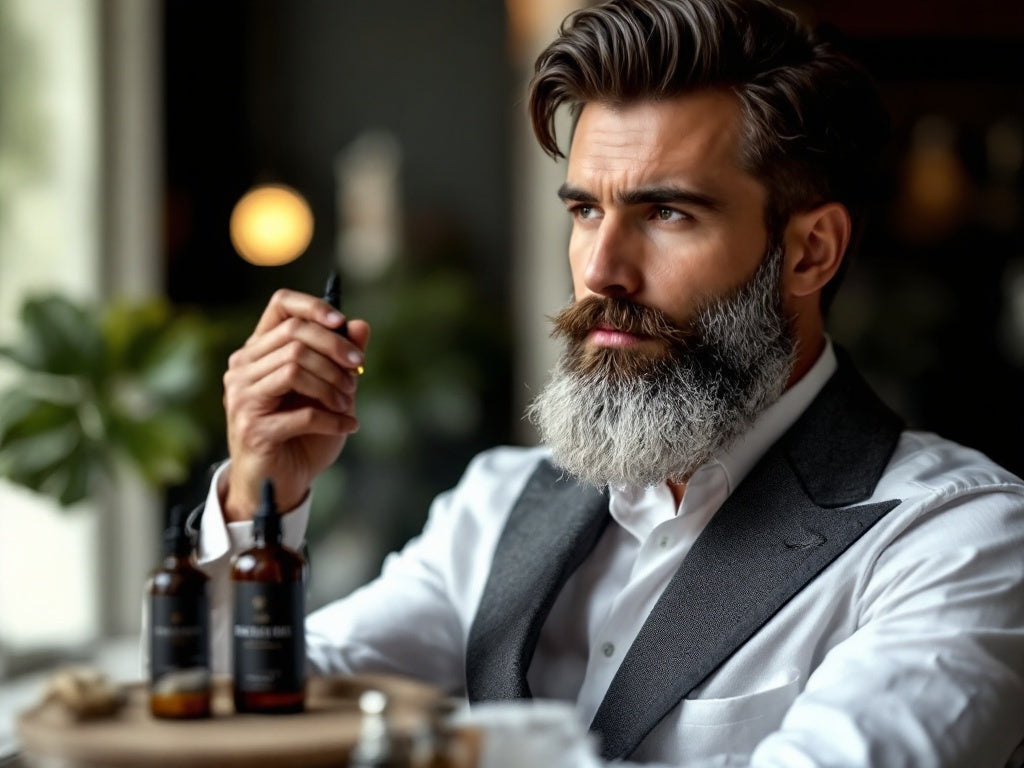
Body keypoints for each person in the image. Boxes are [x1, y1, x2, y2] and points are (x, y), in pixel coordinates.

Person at [191, 0, 1024, 765]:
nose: (600, 270)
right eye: (585, 210)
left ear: (810, 251)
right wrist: (261, 503)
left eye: (667, 214)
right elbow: (249, 709)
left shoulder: (957, 542)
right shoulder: (498, 504)